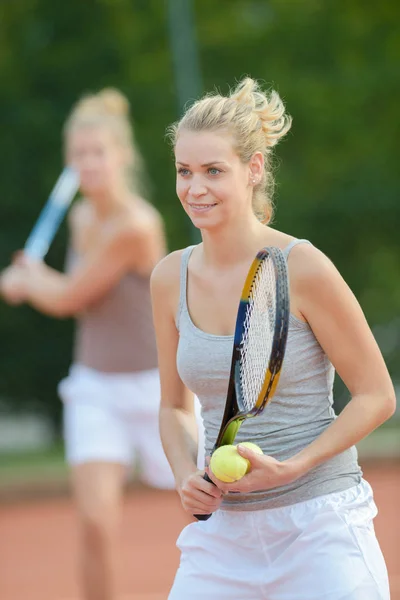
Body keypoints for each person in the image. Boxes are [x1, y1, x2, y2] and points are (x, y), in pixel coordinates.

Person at [150, 77, 396, 599]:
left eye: (214, 171)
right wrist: (182, 474)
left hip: (320, 526)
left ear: (253, 168)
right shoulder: (169, 277)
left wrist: (293, 468)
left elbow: (377, 395)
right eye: (184, 171)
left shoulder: (302, 266)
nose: (195, 189)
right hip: (222, 537)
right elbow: (173, 406)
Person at [1, 88, 204, 600]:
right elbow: (80, 299)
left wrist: (29, 280)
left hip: (161, 390)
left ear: (121, 156)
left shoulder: (136, 226)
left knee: (208, 510)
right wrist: (38, 281)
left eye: (98, 152)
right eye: (78, 154)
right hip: (94, 387)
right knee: (93, 521)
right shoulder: (80, 218)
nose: (88, 163)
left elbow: (71, 296)